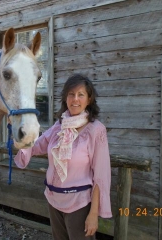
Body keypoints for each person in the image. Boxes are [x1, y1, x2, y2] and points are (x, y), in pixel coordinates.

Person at [14, 74, 112, 240]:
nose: (75, 99)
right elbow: (38, 145)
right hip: (54, 200)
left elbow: (101, 175)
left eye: (81, 95)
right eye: (71, 94)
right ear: (65, 98)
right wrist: (21, 135)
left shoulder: (96, 130)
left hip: (79, 204)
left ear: (89, 99)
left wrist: (93, 214)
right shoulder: (60, 125)